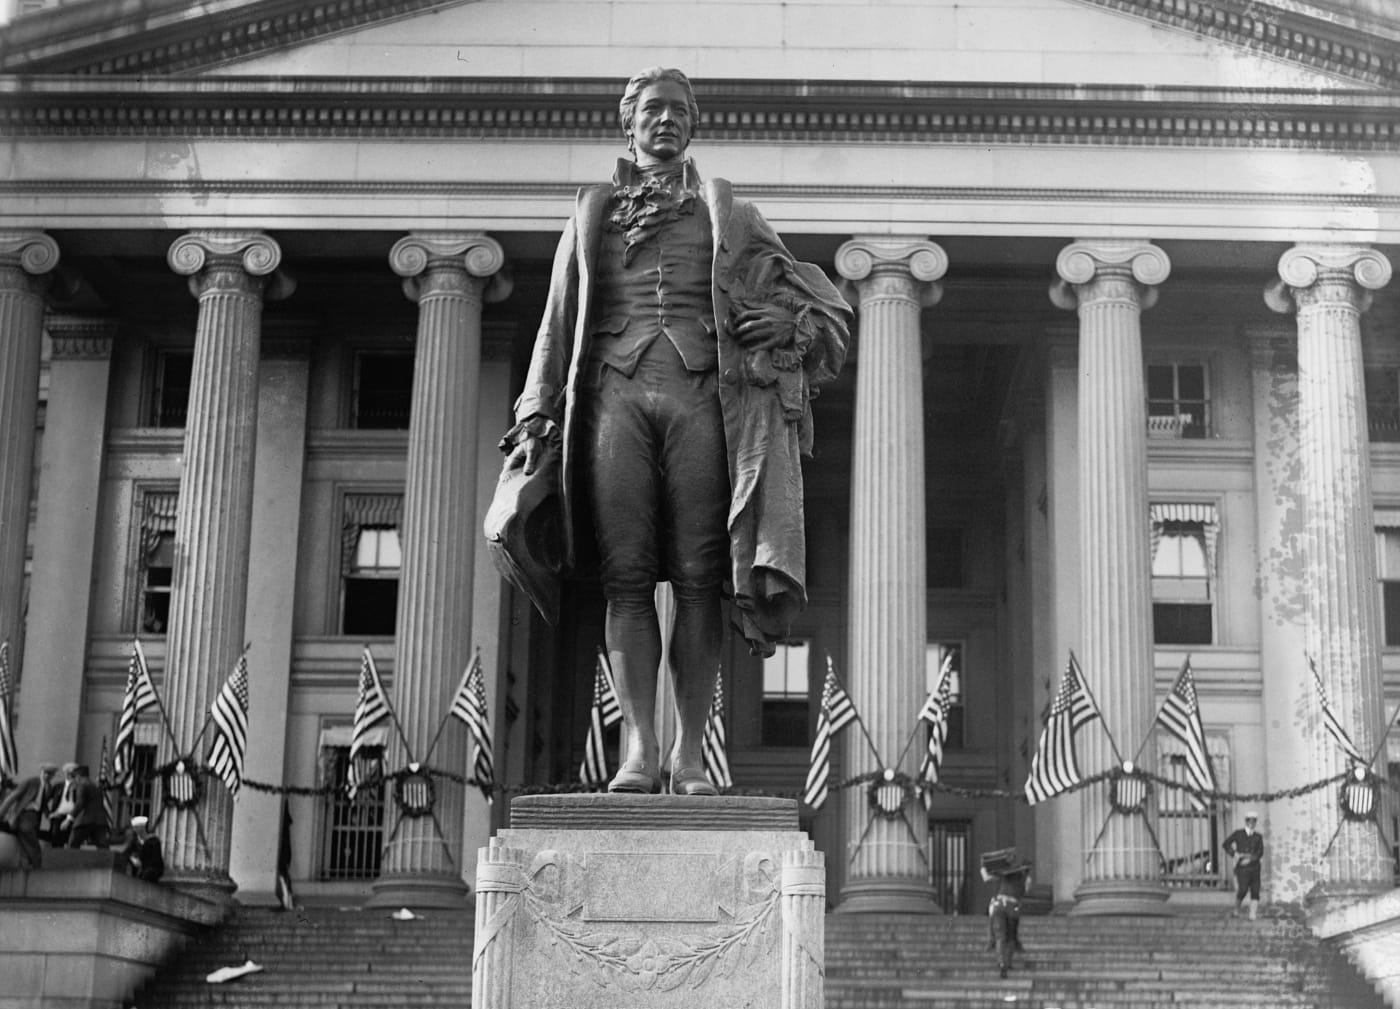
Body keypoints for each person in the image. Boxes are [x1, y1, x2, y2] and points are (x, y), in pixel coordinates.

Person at [496, 67, 850, 796]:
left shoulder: (731, 212)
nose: (666, 120)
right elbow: (557, 321)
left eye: (679, 111)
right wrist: (536, 408)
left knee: (697, 579)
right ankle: (639, 748)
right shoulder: (591, 208)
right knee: (624, 578)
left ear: (693, 124)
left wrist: (789, 322)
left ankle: (689, 754)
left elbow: (823, 307)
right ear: (628, 123)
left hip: (703, 399)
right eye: (653, 109)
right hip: (612, 398)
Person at [0, 762, 60, 868]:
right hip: (24, 814)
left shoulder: (48, 787)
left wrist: (49, 814)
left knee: (25, 841)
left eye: (50, 774)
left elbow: (43, 803)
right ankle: (37, 862)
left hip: (35, 817)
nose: (46, 776)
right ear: (41, 772)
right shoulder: (31, 782)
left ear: (52, 776)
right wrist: (1, 813)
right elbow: (13, 797)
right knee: (28, 834)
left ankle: (27, 864)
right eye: (45, 773)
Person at [981, 859, 1032, 978]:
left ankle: (1001, 962)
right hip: (1013, 907)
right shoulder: (1026, 878)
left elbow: (986, 878)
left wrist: (983, 867)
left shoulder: (1004, 874)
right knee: (1011, 937)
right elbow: (1025, 891)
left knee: (1000, 937)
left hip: (999, 905)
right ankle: (1008, 962)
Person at [1223, 809, 1264, 919]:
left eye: (1254, 821)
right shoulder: (1238, 834)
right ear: (1246, 822)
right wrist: (1234, 854)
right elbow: (1226, 844)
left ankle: (1252, 913)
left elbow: (1260, 852)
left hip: (1255, 867)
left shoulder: (1258, 836)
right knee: (1243, 889)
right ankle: (1236, 909)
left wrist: (1251, 859)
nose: (1252, 824)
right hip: (1242, 868)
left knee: (1255, 890)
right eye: (1250, 821)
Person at [62, 764, 108, 848]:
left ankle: (70, 861)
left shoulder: (82, 784)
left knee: (72, 846)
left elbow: (80, 803)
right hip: (99, 821)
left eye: (75, 777)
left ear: (78, 776)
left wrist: (69, 819)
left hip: (84, 820)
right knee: (103, 848)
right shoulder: (95, 786)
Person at [122, 816, 164, 882]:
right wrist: (132, 859)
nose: (134, 829)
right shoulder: (135, 841)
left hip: (150, 871)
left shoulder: (154, 841)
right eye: (134, 827)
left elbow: (156, 860)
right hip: (138, 870)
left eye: (136, 827)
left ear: (142, 828)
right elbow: (126, 853)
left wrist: (141, 862)